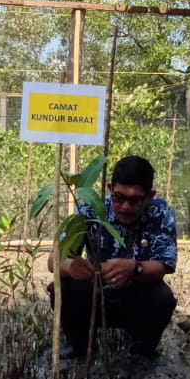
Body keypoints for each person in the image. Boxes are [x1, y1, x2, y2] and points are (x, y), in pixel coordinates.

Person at [48, 155, 178, 362]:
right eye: (119, 198)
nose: (125, 206)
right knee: (62, 289)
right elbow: (54, 260)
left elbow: (164, 265)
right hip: (94, 295)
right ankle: (78, 346)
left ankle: (143, 351)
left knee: (162, 298)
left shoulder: (159, 212)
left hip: (136, 296)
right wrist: (71, 265)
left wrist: (134, 268)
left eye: (135, 200)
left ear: (149, 196)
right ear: (110, 189)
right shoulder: (91, 208)